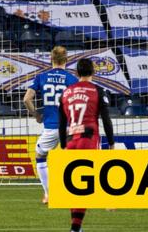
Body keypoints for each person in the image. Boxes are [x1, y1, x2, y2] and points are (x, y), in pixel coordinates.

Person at [58, 58, 115, 232]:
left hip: (70, 141)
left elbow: (62, 123)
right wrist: (111, 143)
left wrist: (63, 144)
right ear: (93, 72)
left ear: (76, 73)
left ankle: (76, 227)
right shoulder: (98, 91)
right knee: (89, 180)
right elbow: (106, 119)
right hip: (88, 139)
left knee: (74, 183)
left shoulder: (66, 92)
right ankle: (107, 201)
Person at [23, 46, 78, 204]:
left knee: (40, 155)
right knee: (72, 159)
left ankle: (49, 194)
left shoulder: (42, 77)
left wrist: (36, 115)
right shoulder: (71, 79)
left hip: (51, 126)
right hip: (69, 125)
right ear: (66, 60)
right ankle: (76, 191)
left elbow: (26, 99)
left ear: (51, 59)